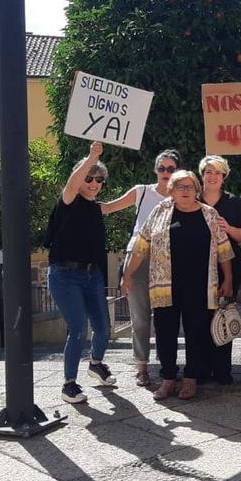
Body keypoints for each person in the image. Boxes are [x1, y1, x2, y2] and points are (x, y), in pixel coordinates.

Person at [120, 169, 234, 400]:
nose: (185, 191)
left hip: (201, 286)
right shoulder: (160, 211)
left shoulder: (209, 214)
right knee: (165, 333)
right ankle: (169, 378)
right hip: (164, 285)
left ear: (197, 190)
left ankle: (191, 379)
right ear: (170, 190)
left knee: (196, 332)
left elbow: (224, 249)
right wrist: (128, 275)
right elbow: (141, 245)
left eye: (190, 187)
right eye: (180, 186)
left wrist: (228, 279)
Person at [99, 149, 180, 387]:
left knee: (168, 318)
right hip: (138, 258)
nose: (166, 173)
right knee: (140, 317)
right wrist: (79, 196)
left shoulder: (183, 196)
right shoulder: (142, 192)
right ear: (156, 170)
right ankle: (142, 367)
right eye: (162, 168)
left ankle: (168, 366)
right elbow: (108, 207)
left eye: (171, 169)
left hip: (168, 261)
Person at [45, 141, 116, 404]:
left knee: (104, 328)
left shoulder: (96, 208)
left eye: (99, 180)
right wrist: (91, 157)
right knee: (77, 329)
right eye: (90, 177)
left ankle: (96, 364)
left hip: (91, 275)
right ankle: (69, 385)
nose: (95, 183)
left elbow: (118, 204)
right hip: (64, 275)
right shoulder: (69, 201)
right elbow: (72, 185)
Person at [199, 155, 241, 385]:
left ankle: (222, 370)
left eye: (217, 172)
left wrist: (228, 228)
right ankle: (201, 368)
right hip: (197, 267)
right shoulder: (191, 198)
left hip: (229, 267)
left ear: (224, 176)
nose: (213, 176)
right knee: (200, 317)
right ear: (202, 175)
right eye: (208, 171)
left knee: (224, 315)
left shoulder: (234, 202)